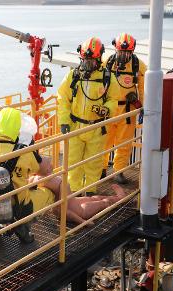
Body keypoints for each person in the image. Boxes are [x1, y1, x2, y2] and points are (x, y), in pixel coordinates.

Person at [0, 107, 55, 250]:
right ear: (17, 129)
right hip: (22, 209)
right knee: (49, 195)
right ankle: (22, 227)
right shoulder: (23, 151)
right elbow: (42, 169)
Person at [57, 37, 120, 195]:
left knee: (94, 162)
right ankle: (75, 193)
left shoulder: (107, 78)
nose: (87, 64)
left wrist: (106, 109)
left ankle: (90, 191)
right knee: (73, 162)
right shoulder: (73, 76)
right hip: (75, 126)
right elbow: (63, 99)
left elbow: (114, 99)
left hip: (97, 128)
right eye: (85, 60)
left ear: (99, 59)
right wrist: (64, 121)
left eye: (91, 61)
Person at [102, 33, 147, 184]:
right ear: (116, 48)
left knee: (124, 143)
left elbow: (142, 87)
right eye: (121, 51)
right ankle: (101, 169)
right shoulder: (107, 62)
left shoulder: (138, 65)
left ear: (132, 51)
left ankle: (119, 171)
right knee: (104, 141)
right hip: (109, 109)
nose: (124, 55)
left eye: (127, 52)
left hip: (128, 110)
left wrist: (142, 106)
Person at [30, 159, 127, 225]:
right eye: (49, 163)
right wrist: (83, 222)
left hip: (74, 202)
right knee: (104, 203)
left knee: (94, 198)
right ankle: (120, 199)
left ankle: (118, 197)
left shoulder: (35, 178)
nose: (52, 164)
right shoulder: (58, 183)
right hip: (79, 211)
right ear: (47, 169)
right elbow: (64, 211)